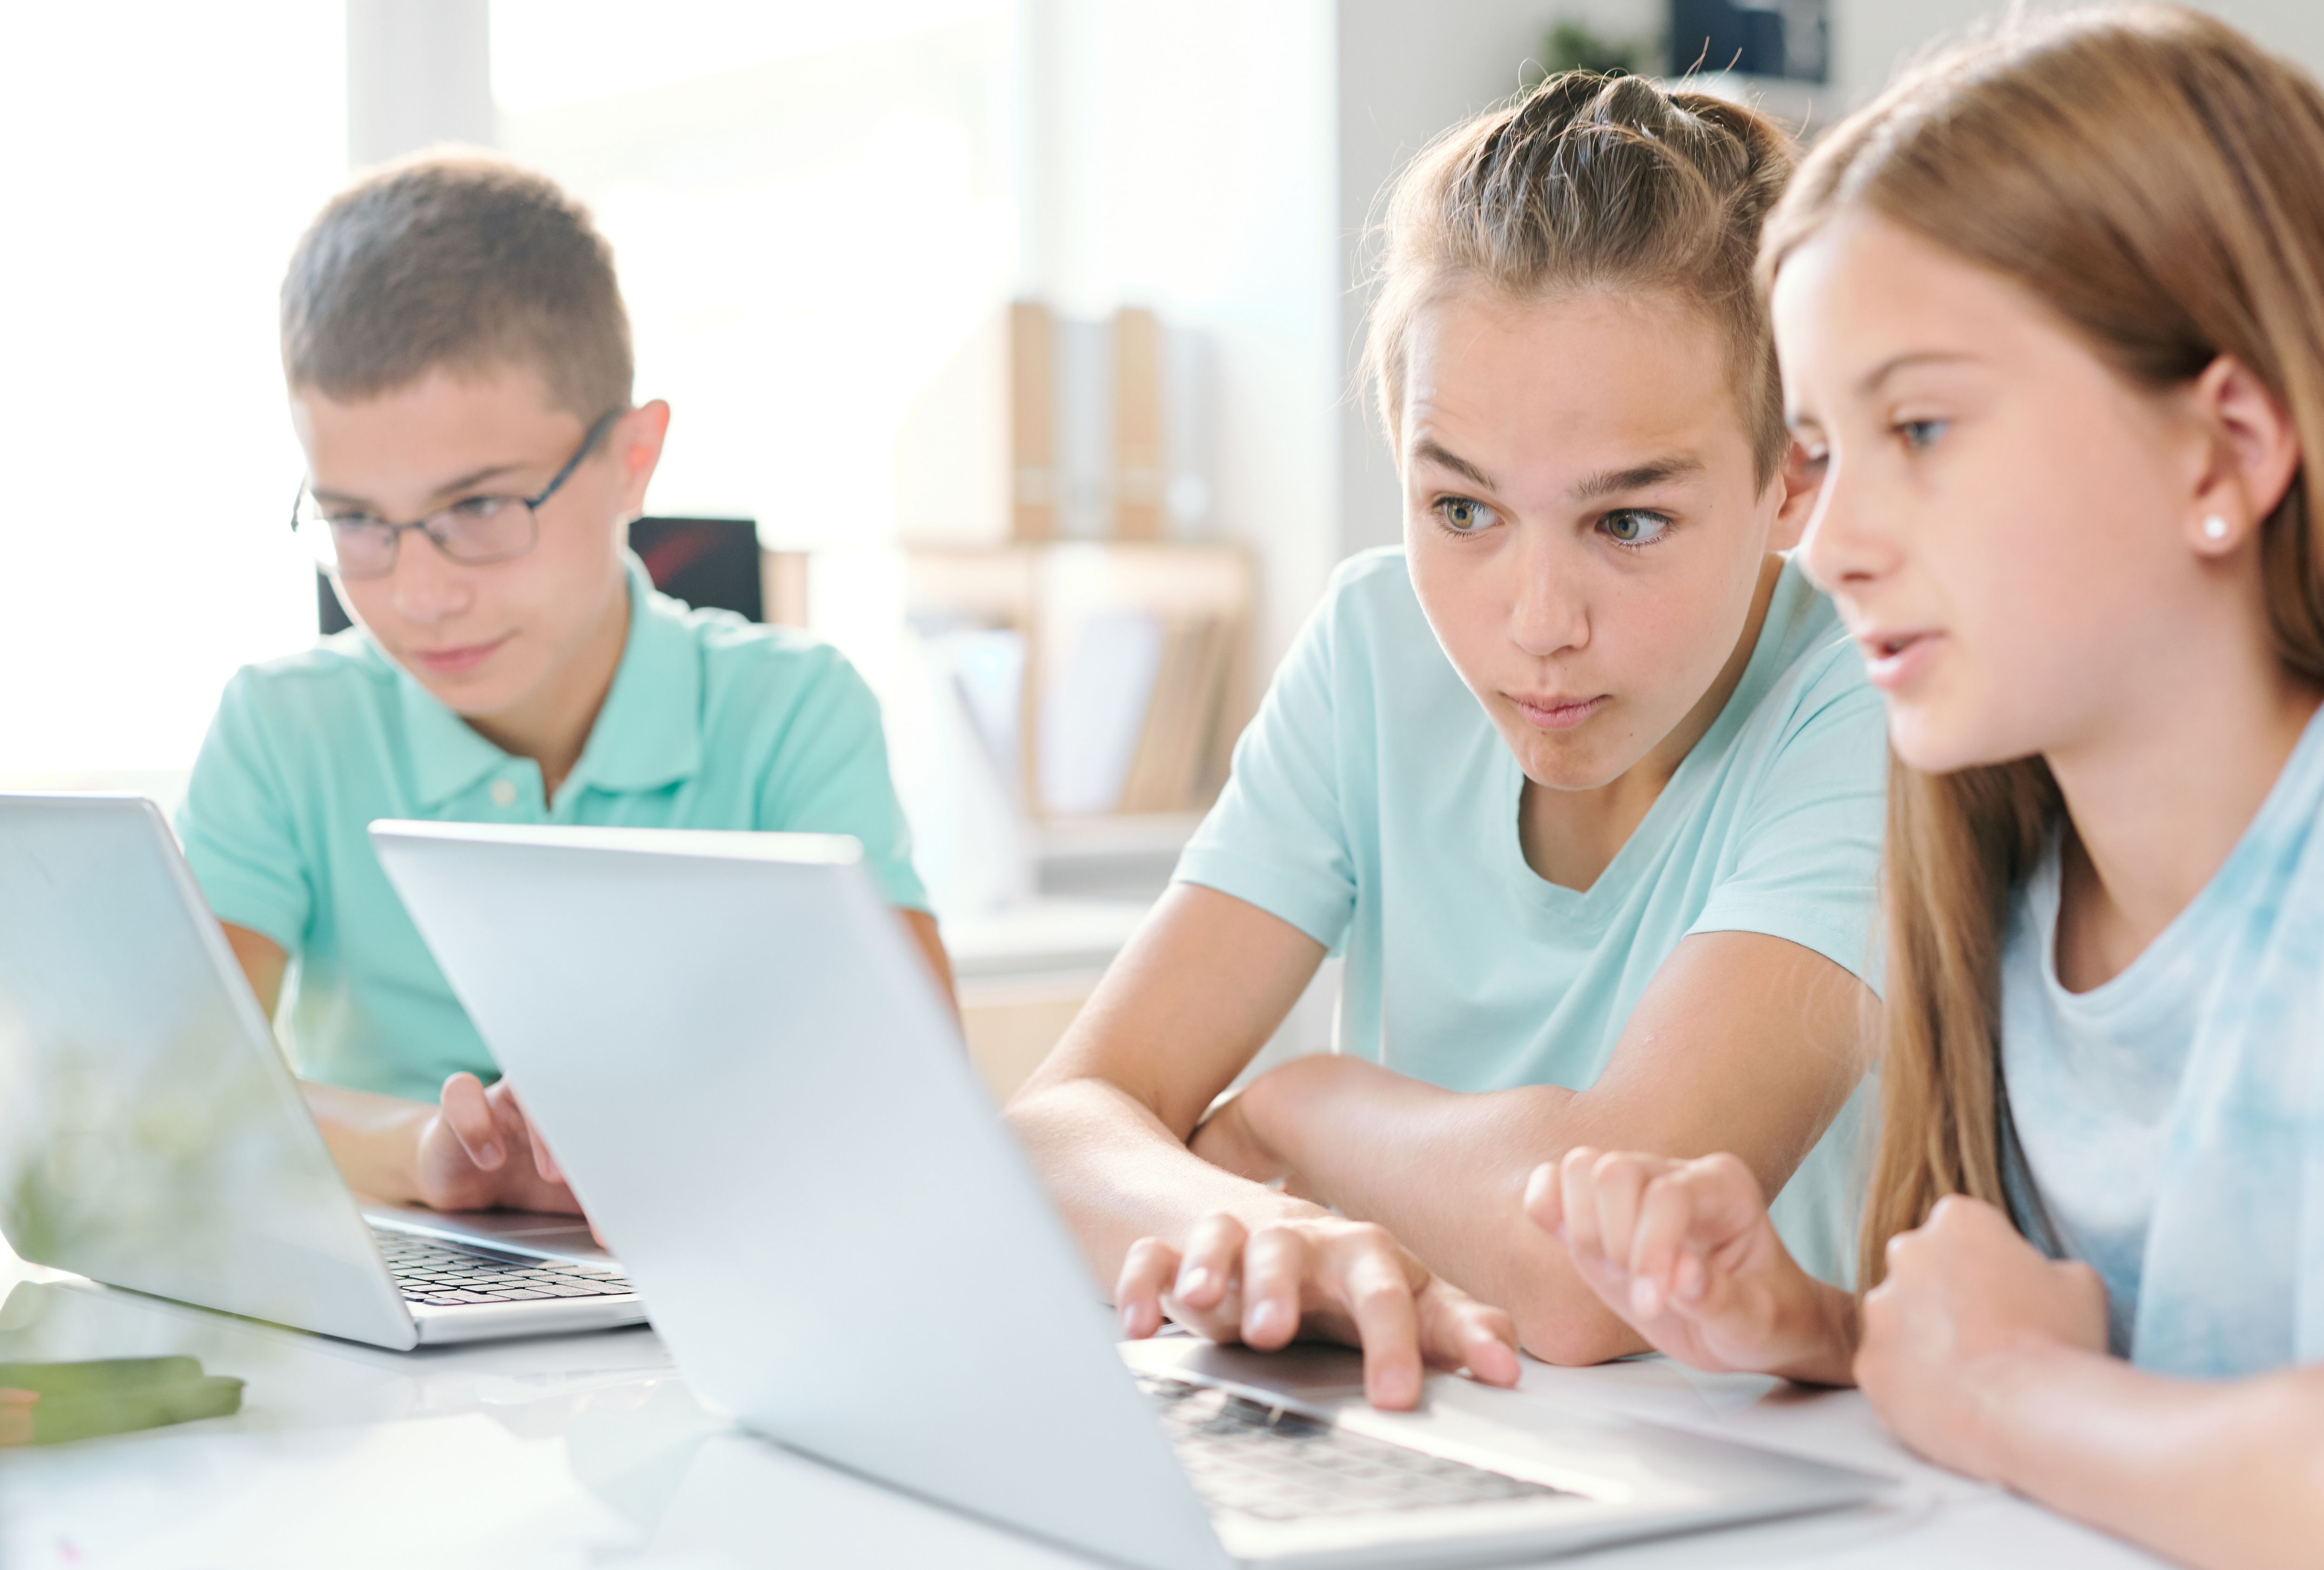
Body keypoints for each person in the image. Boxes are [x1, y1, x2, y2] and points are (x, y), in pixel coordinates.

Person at [1527, 8, 2324, 1567]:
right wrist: (1837, 1329)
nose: (1832, 540)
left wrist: (1993, 1386)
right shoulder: (2011, 872)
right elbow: (2187, 1409)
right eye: (1819, 451)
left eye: (1920, 425)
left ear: (2224, 449)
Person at [1006, 73, 1889, 1411]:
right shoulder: (1376, 645)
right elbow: (1059, 1126)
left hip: (1766, 1486)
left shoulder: (1867, 696)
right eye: (1462, 508)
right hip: (1427, 1436)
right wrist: (1253, 1227)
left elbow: (1599, 1274)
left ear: (1792, 479)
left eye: (1628, 522)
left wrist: (1300, 1109)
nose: (1535, 625)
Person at [180, 153, 951, 1219]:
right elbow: (173, 1101)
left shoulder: (792, 713)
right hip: (400, 1274)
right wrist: (428, 1154)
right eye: (356, 520)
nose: (420, 593)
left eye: (484, 508)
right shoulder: (281, 729)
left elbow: (915, 1095)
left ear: (635, 459)